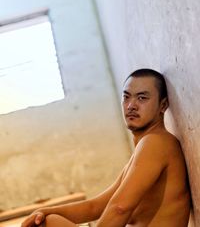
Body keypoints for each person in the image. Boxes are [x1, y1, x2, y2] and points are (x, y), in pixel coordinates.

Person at [21, 68, 191, 227]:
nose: (131, 105)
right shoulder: (144, 149)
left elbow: (119, 209)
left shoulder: (156, 143)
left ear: (163, 105)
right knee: (46, 220)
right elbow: (94, 207)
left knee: (49, 224)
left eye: (142, 98)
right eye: (126, 97)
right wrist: (43, 211)